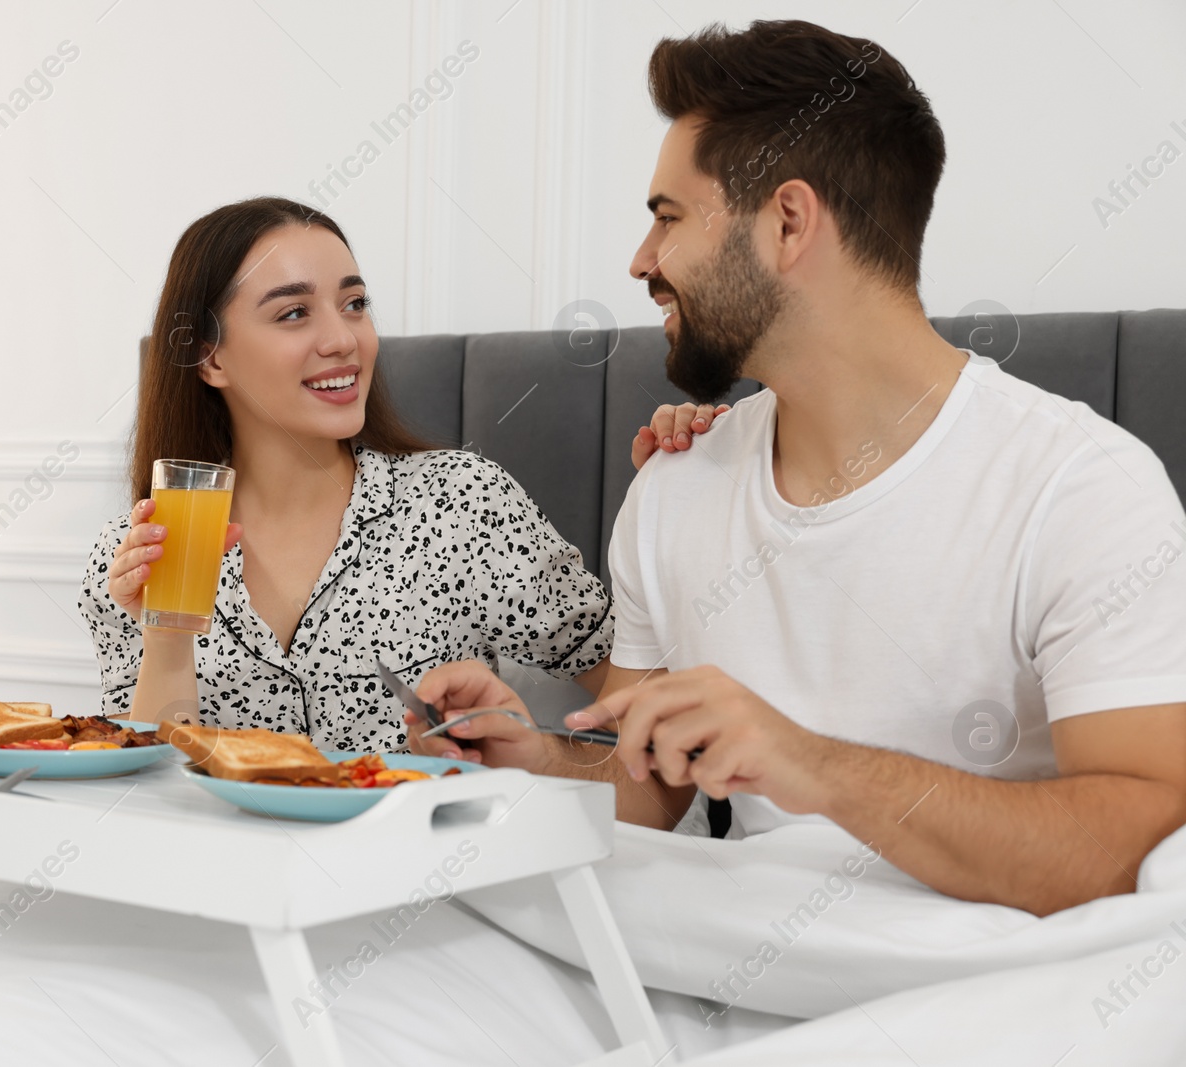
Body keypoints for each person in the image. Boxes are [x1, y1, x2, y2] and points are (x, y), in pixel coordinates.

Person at [408, 19, 1186, 917]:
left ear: (787, 221)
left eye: (666, 218)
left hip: (982, 987)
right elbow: (647, 784)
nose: (641, 262)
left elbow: (1133, 848)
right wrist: (532, 753)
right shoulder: (676, 482)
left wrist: (813, 764)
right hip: (717, 964)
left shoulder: (1081, 491)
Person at [77, 197, 718, 752]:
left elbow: (643, 693)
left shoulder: (462, 504)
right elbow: (150, 786)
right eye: (294, 313)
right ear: (210, 357)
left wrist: (690, 494)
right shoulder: (142, 553)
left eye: (354, 303)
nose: (344, 339)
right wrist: (167, 634)